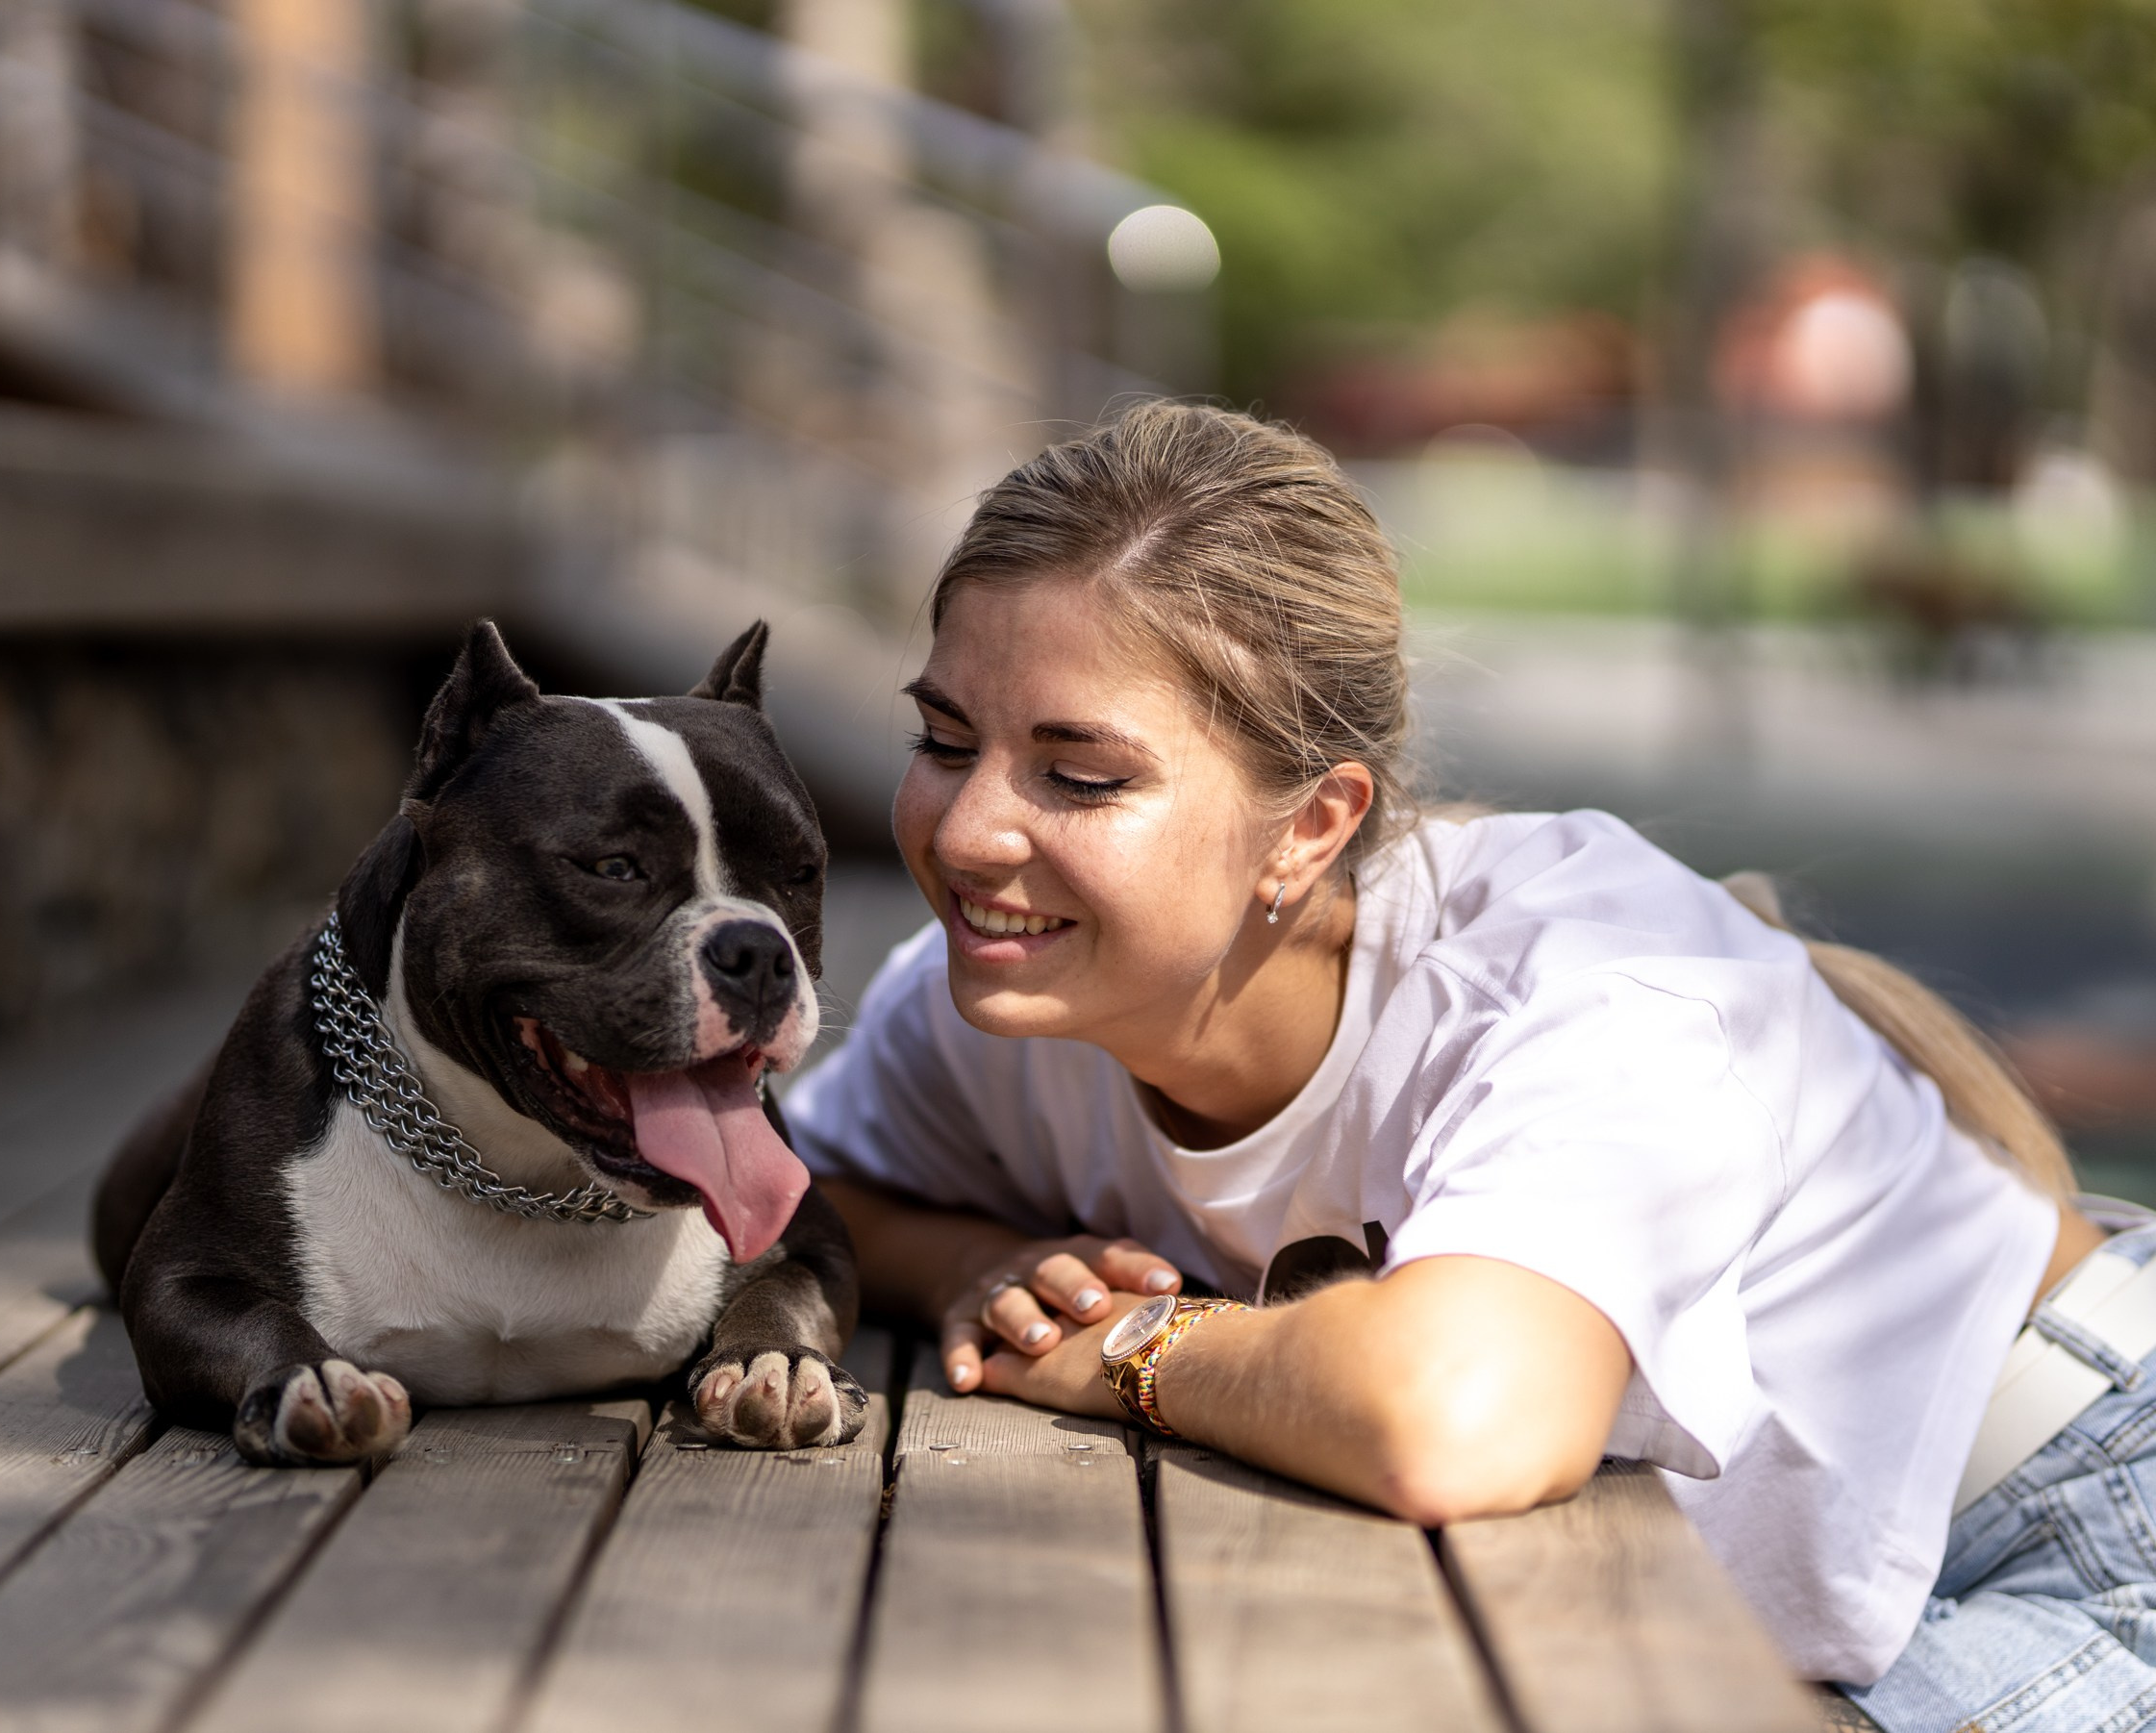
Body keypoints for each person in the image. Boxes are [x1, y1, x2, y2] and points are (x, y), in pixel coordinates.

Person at [781, 402, 2149, 1731]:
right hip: (1749, 1592)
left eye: (1080, 778)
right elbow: (792, 1201)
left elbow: (1453, 1415)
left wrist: (1131, 1345)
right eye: (944, 742)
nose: (966, 832)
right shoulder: (1015, 994)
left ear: (1310, 828)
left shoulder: (1589, 983)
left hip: (2073, 1515)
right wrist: (972, 1265)